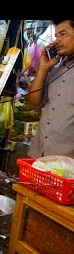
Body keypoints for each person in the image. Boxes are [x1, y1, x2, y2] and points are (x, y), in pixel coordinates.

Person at [27, 19, 74, 158]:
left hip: (66, 163)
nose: (56, 41)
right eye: (56, 36)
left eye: (63, 34)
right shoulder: (57, 69)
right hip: (39, 155)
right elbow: (32, 104)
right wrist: (43, 67)